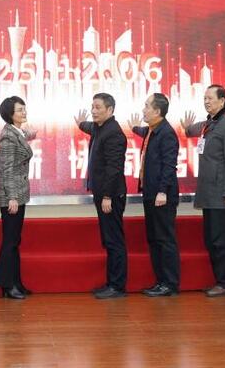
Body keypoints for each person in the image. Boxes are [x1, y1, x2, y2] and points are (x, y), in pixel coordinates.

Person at [183, 84, 225, 297]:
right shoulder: (210, 123)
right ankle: (220, 280)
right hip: (209, 192)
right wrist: (187, 129)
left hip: (221, 194)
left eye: (210, 98)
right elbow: (193, 130)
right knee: (211, 239)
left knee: (221, 240)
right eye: (205, 98)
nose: (206, 101)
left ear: (222, 100)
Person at [75, 93, 128, 299]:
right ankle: (111, 283)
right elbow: (89, 126)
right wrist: (81, 124)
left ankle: (117, 286)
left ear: (110, 110)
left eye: (98, 107)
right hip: (103, 193)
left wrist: (107, 196)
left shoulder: (113, 133)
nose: (93, 111)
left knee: (114, 240)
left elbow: (114, 168)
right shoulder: (100, 127)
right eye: (92, 107)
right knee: (108, 239)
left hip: (110, 195)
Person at [129, 93, 181, 297]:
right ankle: (160, 281)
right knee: (154, 238)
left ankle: (170, 283)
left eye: (146, 106)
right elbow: (143, 131)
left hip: (162, 196)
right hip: (150, 193)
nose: (143, 109)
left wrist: (162, 191)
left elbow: (169, 165)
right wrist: (135, 128)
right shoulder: (152, 130)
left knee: (165, 239)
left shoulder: (166, 133)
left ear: (157, 111)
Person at [0, 96, 35, 300]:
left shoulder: (16, 132)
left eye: (24, 108)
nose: (24, 112)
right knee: (10, 242)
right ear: (10, 114)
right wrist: (12, 197)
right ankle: (7, 285)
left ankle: (16, 282)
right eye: (19, 110)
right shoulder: (7, 137)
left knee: (14, 240)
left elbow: (23, 139)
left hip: (19, 194)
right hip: (11, 196)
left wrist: (30, 135)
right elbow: (7, 169)